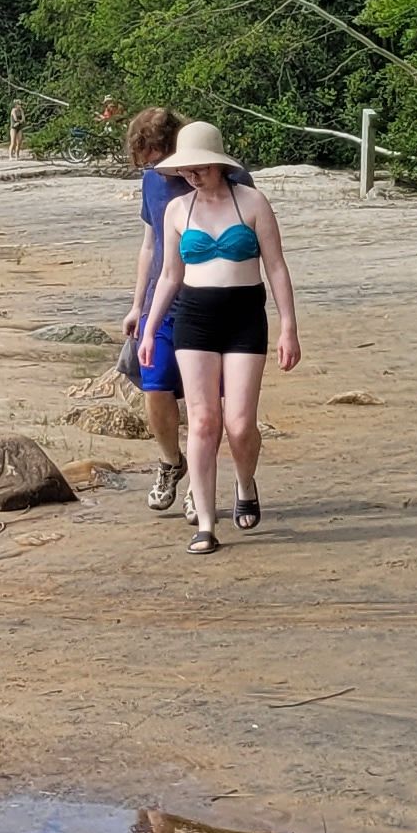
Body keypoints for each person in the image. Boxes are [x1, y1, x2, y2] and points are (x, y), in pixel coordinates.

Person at [154, 120, 299, 550]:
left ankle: (245, 482)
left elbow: (276, 266)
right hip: (194, 319)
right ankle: (206, 524)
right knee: (201, 422)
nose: (191, 176)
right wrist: (147, 326)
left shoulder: (252, 202)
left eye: (198, 168)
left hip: (244, 317)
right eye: (184, 170)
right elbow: (168, 274)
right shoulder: (177, 210)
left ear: (218, 164)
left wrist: (289, 326)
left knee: (238, 425)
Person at [114, 106, 185, 512]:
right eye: (146, 157)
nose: (153, 164)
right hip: (161, 303)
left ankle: (202, 486)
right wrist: (136, 306)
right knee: (155, 387)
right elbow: (149, 244)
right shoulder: (151, 182)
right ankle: (171, 461)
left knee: (203, 397)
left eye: (157, 154)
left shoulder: (223, 177)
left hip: (206, 302)